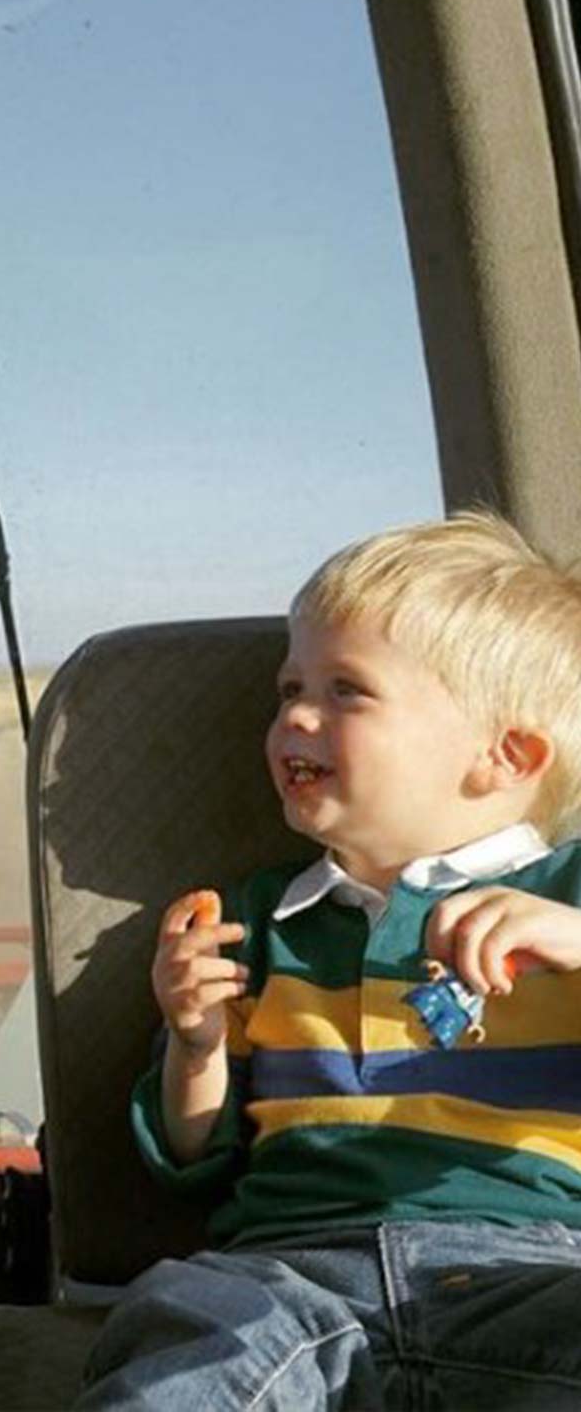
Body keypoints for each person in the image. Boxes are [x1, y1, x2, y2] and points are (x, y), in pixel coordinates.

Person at [80, 511, 581, 1411]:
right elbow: (193, 1153)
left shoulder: (568, 892)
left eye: (346, 690)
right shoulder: (250, 919)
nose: (294, 717)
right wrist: (194, 1044)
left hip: (530, 1268)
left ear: (504, 756)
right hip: (288, 1277)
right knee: (184, 1334)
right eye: (288, 687)